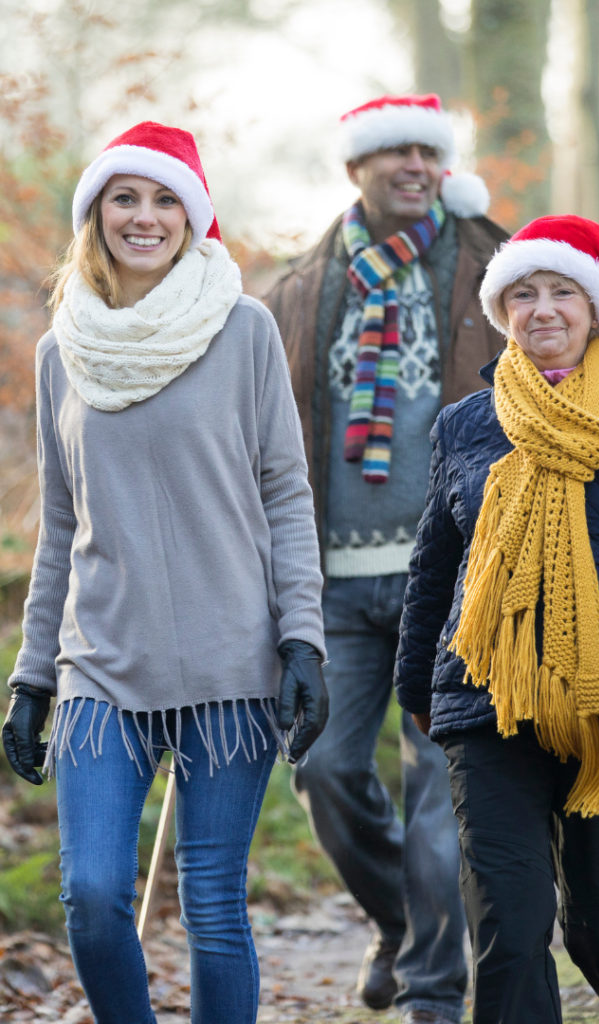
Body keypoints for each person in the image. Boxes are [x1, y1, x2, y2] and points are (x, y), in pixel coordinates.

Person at [0, 121, 328, 1024]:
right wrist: (33, 677)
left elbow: (287, 493)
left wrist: (303, 638)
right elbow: (62, 525)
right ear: (96, 215)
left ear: (193, 215)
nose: (144, 217)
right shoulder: (61, 353)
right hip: (101, 661)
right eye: (125, 198)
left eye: (164, 199)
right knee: (93, 897)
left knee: (214, 907)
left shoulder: (245, 330)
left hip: (232, 665)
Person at [393, 214, 599, 1023]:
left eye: (562, 291)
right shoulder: (464, 425)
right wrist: (417, 688)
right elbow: (436, 567)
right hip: (484, 702)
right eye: (523, 293)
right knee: (509, 923)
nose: (542, 309)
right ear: (502, 310)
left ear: (598, 307)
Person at [263, 93, 508, 1024]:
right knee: (324, 770)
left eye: (427, 152)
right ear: (354, 168)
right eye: (392, 152)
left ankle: (435, 996)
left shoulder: (496, 265)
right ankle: (404, 927)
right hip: (330, 584)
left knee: (441, 791)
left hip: (454, 576)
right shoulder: (297, 288)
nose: (414, 166)